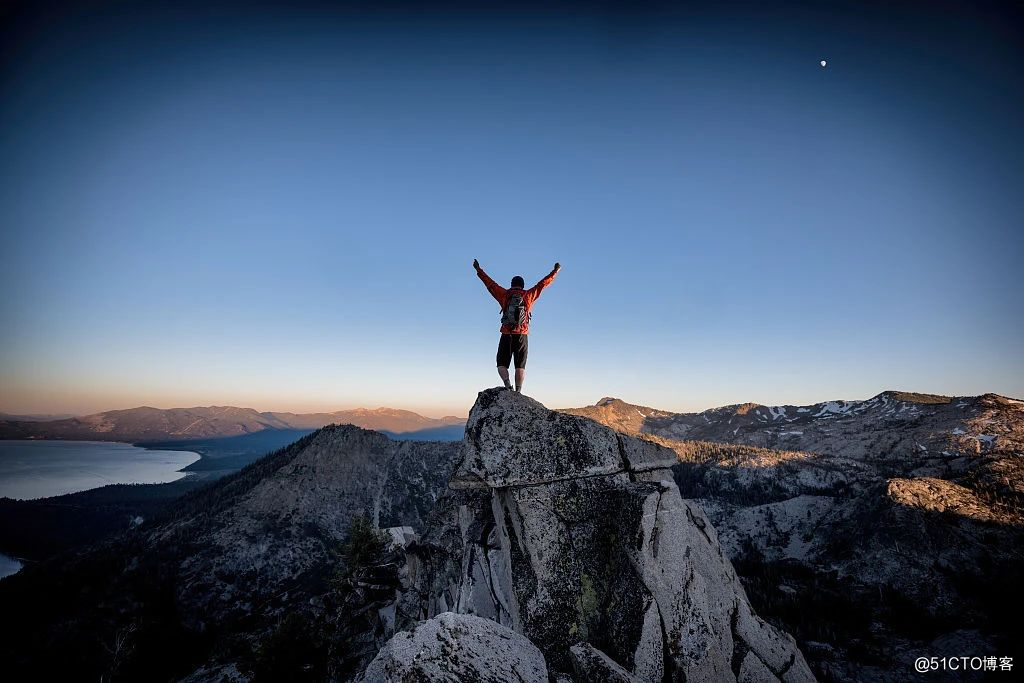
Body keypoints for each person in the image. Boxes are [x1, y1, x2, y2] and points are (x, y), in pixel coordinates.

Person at [473, 259, 561, 393]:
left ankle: (508, 386)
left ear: (512, 284)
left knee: (501, 364)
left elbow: (490, 284)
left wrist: (478, 270)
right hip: (522, 334)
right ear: (523, 285)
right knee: (520, 366)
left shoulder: (504, 294)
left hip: (506, 333)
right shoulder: (528, 295)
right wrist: (555, 271)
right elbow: (542, 284)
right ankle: (518, 391)